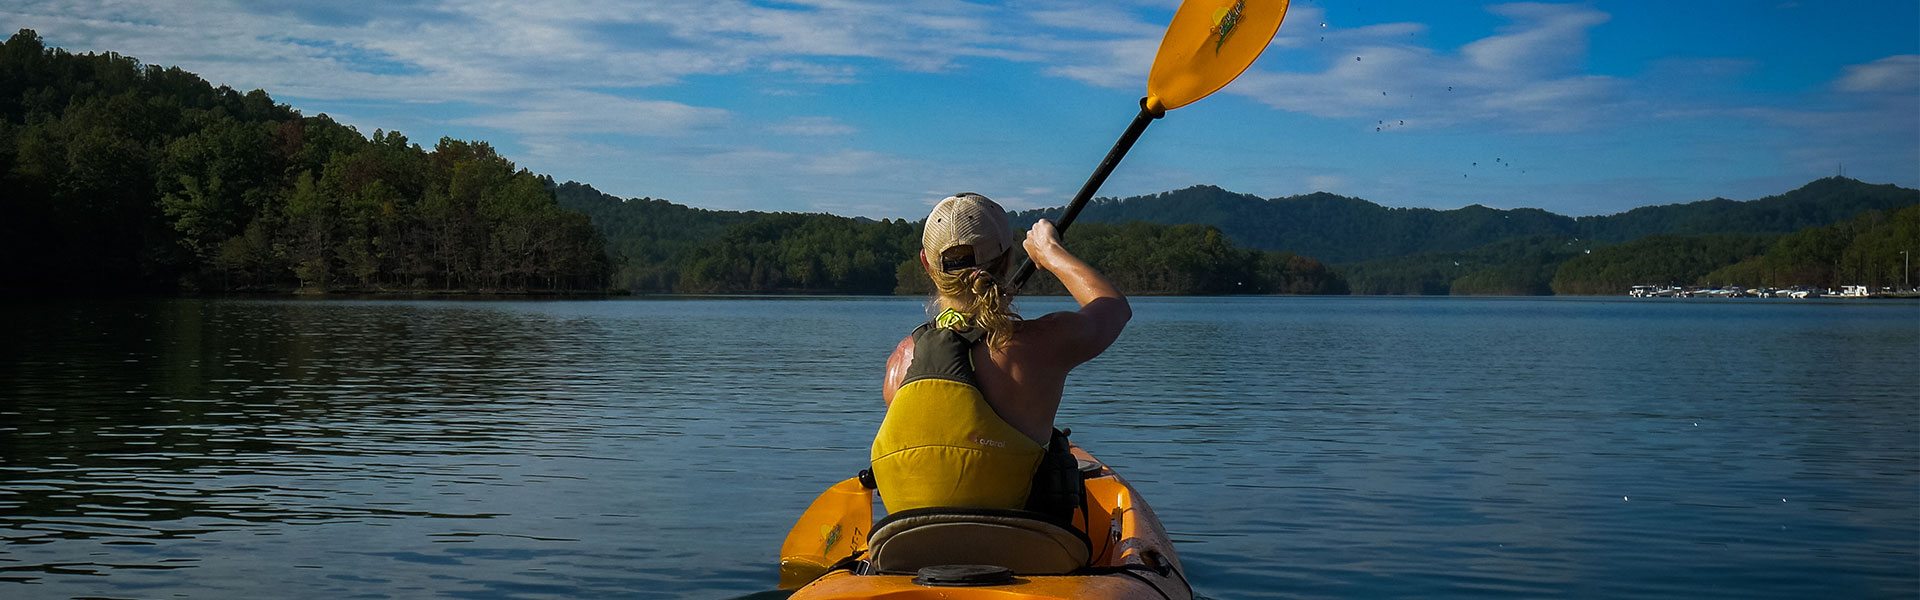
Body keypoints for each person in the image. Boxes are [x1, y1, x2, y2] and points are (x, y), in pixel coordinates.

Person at [869, 192, 1130, 518]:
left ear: (926, 263)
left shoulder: (899, 364)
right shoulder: (1040, 344)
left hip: (911, 552)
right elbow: (1114, 308)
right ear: (1007, 258)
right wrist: (1051, 253)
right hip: (1022, 551)